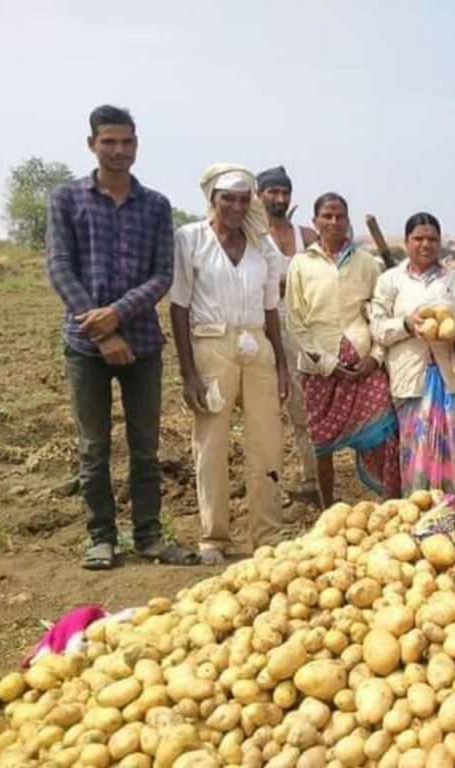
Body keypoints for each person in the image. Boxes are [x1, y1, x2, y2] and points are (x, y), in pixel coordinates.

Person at [46, 105, 198, 570]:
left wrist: (116, 313)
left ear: (137, 145)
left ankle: (150, 536)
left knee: (144, 446)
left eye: (126, 142)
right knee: (93, 446)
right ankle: (101, 537)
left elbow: (160, 275)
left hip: (142, 345)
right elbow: (59, 266)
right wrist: (100, 329)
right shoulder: (66, 198)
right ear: (92, 143)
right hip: (84, 345)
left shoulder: (154, 205)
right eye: (108, 141)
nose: (118, 151)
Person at [170, 164, 290, 565]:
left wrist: (282, 366)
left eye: (243, 199)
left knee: (267, 442)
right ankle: (213, 537)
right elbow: (179, 307)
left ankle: (267, 534)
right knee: (211, 443)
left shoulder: (263, 246)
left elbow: (272, 308)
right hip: (211, 344)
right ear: (213, 200)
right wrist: (188, 373)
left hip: (257, 343)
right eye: (228, 199)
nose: (236, 207)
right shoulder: (190, 239)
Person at [285, 192, 401, 506]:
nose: (334, 222)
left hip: (364, 361)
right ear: (315, 222)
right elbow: (295, 319)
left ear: (347, 220)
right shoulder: (301, 263)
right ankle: (327, 510)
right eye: (327, 216)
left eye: (340, 216)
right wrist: (324, 363)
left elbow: (382, 313)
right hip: (320, 366)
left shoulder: (368, 264)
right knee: (322, 443)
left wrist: (375, 358)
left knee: (385, 433)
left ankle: (390, 507)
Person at [370, 212, 455, 495]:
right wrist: (406, 324)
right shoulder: (391, 280)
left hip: (448, 379)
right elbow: (377, 327)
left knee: (452, 447)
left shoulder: (454, 280)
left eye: (431, 238)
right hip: (410, 379)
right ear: (406, 242)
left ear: (439, 242)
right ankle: (416, 515)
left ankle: (451, 516)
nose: (425, 244)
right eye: (418, 238)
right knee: (413, 451)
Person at [257, 166, 318, 499]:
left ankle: (310, 479)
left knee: (301, 405)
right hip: (258, 326)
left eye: (285, 192)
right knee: (263, 408)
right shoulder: (252, 234)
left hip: (298, 330)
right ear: (259, 194)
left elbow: (322, 278)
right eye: (272, 192)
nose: (279, 198)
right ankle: (269, 484)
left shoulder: (305, 236)